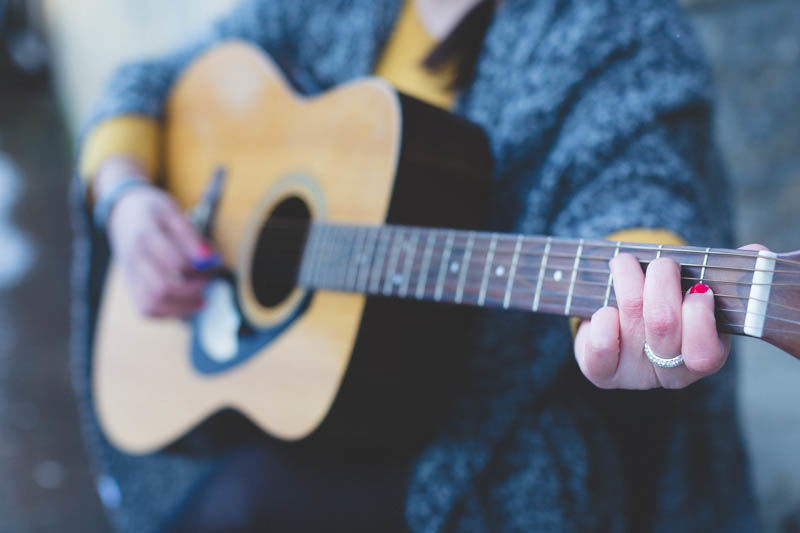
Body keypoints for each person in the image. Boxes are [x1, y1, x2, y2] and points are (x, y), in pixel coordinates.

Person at [73, 0, 760, 530]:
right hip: (316, 384)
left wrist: (640, 304)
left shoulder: (624, 29)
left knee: (238, 510)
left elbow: (640, 184)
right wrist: (127, 196)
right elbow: (154, 79)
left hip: (501, 421)